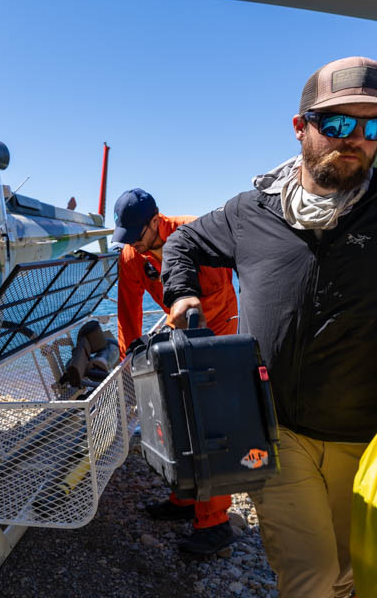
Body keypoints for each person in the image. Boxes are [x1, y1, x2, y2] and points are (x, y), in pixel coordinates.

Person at [160, 56, 377, 597]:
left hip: (370, 434)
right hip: (274, 430)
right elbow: (182, 242)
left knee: (354, 572)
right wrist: (183, 293)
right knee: (308, 578)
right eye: (335, 124)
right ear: (300, 127)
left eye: (373, 126)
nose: (354, 138)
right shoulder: (251, 211)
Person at [112, 188, 239, 555]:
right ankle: (185, 499)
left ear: (156, 221)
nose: (133, 244)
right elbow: (127, 309)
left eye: (138, 235)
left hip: (217, 334)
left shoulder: (197, 235)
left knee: (207, 424)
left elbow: (218, 294)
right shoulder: (131, 256)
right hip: (176, 336)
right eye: (127, 237)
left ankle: (215, 524)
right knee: (173, 418)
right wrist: (129, 360)